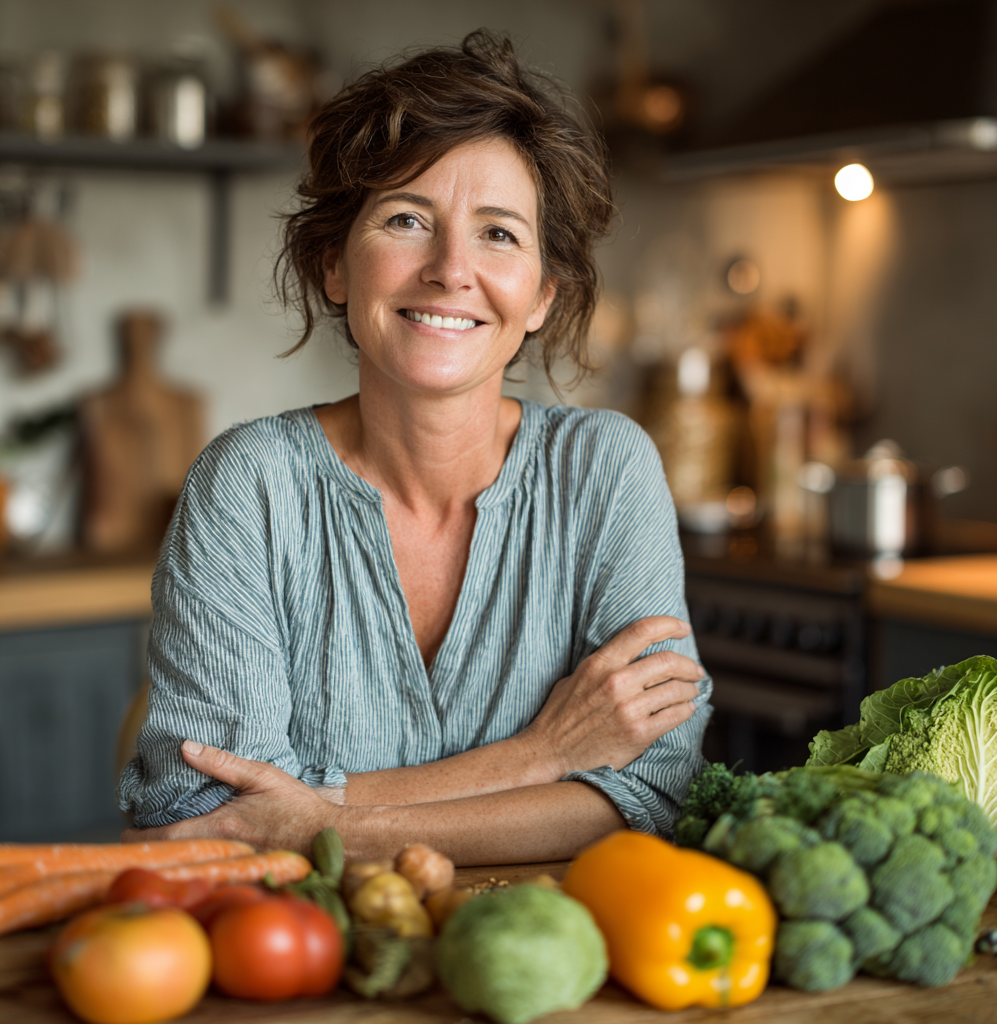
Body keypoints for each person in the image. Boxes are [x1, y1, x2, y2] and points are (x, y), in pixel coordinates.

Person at [119, 31, 711, 865]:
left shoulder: (606, 472)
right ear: (334, 264)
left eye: (499, 234)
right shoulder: (249, 486)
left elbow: (653, 792)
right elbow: (205, 814)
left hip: (549, 975)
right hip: (306, 975)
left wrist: (324, 820)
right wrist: (543, 758)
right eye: (406, 220)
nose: (450, 269)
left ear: (542, 294)